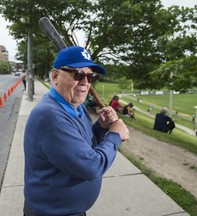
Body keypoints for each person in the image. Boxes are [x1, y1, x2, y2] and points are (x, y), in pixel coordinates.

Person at [23, 46, 129, 216]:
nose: (85, 83)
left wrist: (101, 128)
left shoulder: (75, 107)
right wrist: (115, 135)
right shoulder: (51, 116)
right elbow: (92, 166)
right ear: (55, 76)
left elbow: (82, 144)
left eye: (90, 76)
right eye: (78, 74)